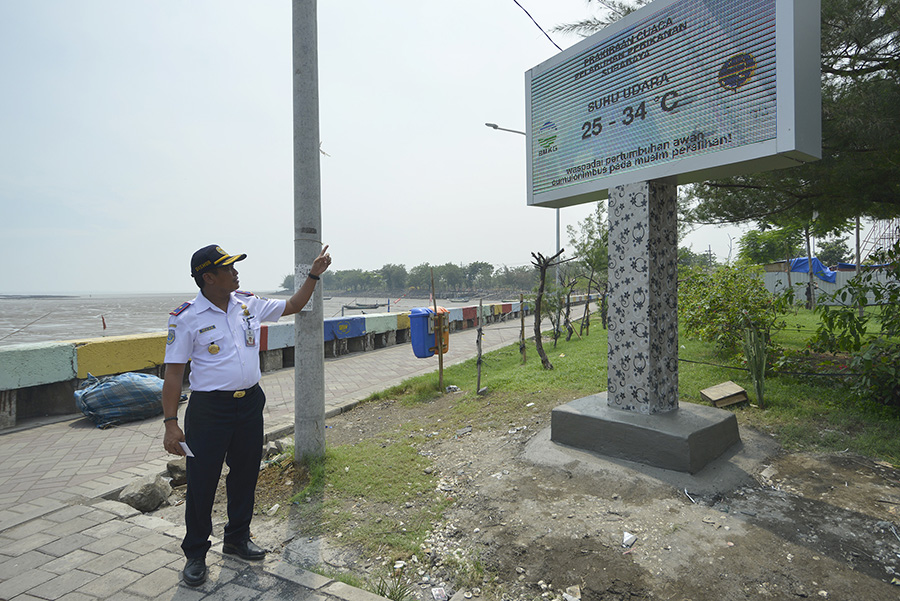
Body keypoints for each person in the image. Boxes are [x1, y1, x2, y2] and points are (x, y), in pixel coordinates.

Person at [161, 243, 331, 587]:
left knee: (244, 475)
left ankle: (237, 538)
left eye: (235, 266)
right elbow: (174, 373)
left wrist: (314, 274)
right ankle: (195, 553)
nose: (236, 272)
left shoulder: (247, 304)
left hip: (250, 404)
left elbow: (295, 305)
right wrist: (170, 424)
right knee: (202, 481)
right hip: (210, 410)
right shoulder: (187, 317)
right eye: (228, 268)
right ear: (208, 277)